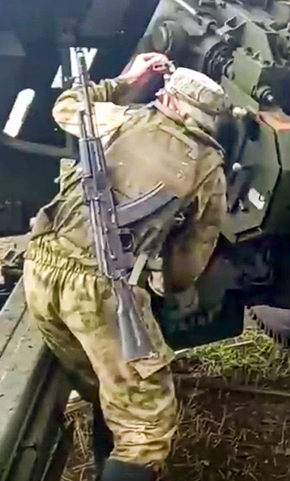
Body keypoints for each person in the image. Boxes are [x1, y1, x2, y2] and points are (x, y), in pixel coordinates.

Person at [22, 53, 227, 481]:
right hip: (103, 291)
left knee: (107, 387)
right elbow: (194, 250)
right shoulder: (208, 166)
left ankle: (107, 463)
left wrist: (125, 79)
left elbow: (66, 106)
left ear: (167, 98)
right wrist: (168, 289)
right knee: (146, 427)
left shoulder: (118, 118)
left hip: (40, 271)